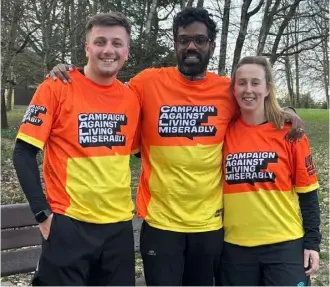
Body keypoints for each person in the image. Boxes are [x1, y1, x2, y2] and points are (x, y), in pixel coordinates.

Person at [48, 8, 303, 286]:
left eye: (199, 40)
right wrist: (70, 72)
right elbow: (106, 90)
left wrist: (285, 113)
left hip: (209, 226)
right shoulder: (147, 83)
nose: (191, 46)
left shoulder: (226, 91)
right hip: (161, 224)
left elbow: (255, 104)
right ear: (176, 44)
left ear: (211, 46)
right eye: (183, 40)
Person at [13, 12, 140, 286]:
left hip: (118, 228)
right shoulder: (57, 86)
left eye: (117, 43)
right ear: (87, 48)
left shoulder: (132, 98)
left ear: (127, 51)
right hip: (68, 225)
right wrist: (42, 214)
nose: (109, 50)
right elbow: (22, 153)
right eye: (100, 42)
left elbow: (146, 151)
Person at [219, 56, 321, 286]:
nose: (248, 90)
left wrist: (312, 243)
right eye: (242, 82)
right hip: (236, 248)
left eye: (255, 83)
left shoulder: (291, 133)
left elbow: (308, 192)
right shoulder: (223, 133)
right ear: (233, 88)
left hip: (284, 246)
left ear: (267, 88)